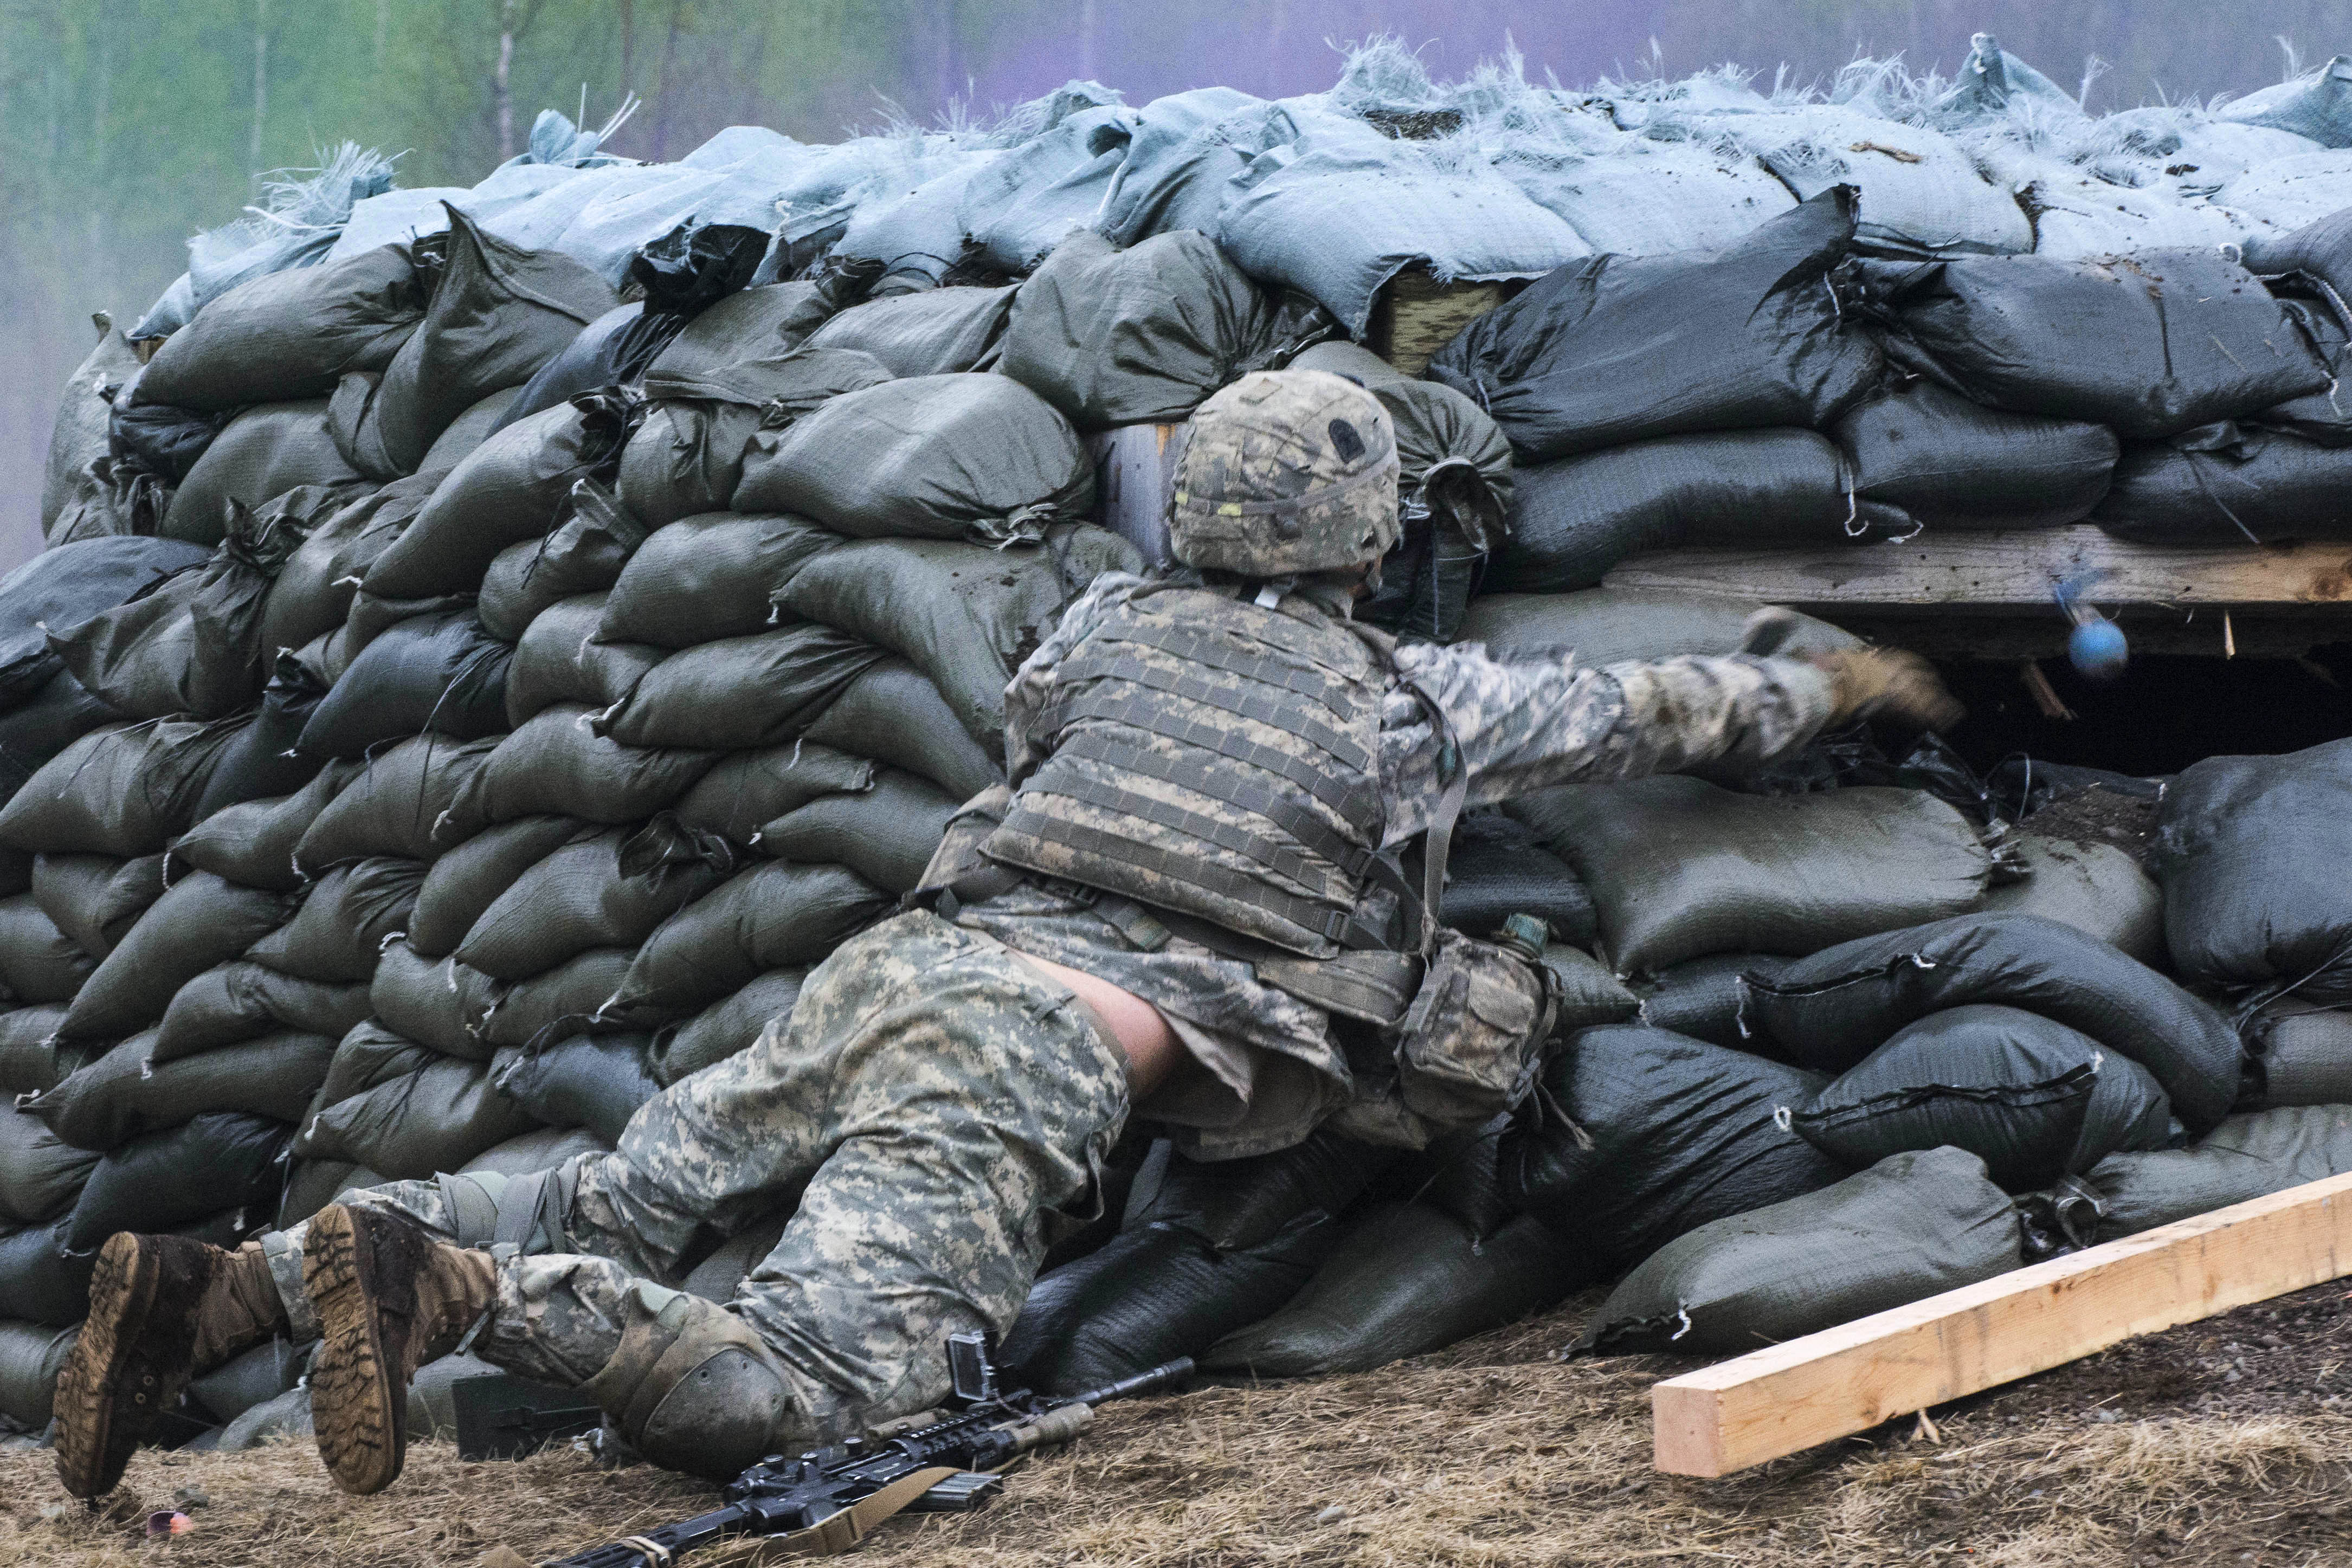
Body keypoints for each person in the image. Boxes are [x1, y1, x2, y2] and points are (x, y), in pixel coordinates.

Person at [54, 369, 1959, 1500]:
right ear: (1366, 538)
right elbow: (1643, 716)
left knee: (599, 1199)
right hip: (1029, 1044)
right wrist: (1829, 682)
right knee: (827, 1393)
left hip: (890, 975)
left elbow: (1043, 751)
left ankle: (209, 1288)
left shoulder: (1090, 634)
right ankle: (452, 1299)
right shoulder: (1410, 707)